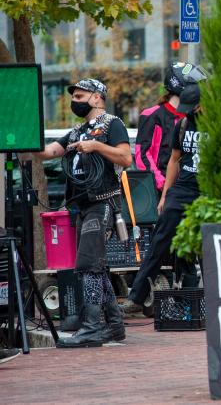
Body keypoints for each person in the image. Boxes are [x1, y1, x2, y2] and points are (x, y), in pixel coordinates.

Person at [36, 78, 132, 348]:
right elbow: (51, 151)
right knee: (96, 267)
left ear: (97, 98)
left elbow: (126, 158)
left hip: (104, 204)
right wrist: (23, 140)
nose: (75, 100)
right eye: (74, 96)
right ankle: (114, 327)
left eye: (80, 96)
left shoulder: (113, 124)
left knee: (88, 266)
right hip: (82, 205)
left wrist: (97, 146)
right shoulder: (78, 130)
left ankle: (92, 327)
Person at [120, 78, 206, 314]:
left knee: (206, 247)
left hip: (207, 191)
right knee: (159, 241)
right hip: (182, 190)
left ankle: (216, 300)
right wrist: (165, 196)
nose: (188, 113)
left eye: (192, 108)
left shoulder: (219, 125)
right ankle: (136, 297)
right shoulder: (183, 125)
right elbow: (174, 160)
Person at [135, 62, 204, 193]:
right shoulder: (151, 115)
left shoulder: (194, 117)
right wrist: (162, 183)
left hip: (187, 188)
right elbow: (142, 154)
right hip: (159, 189)